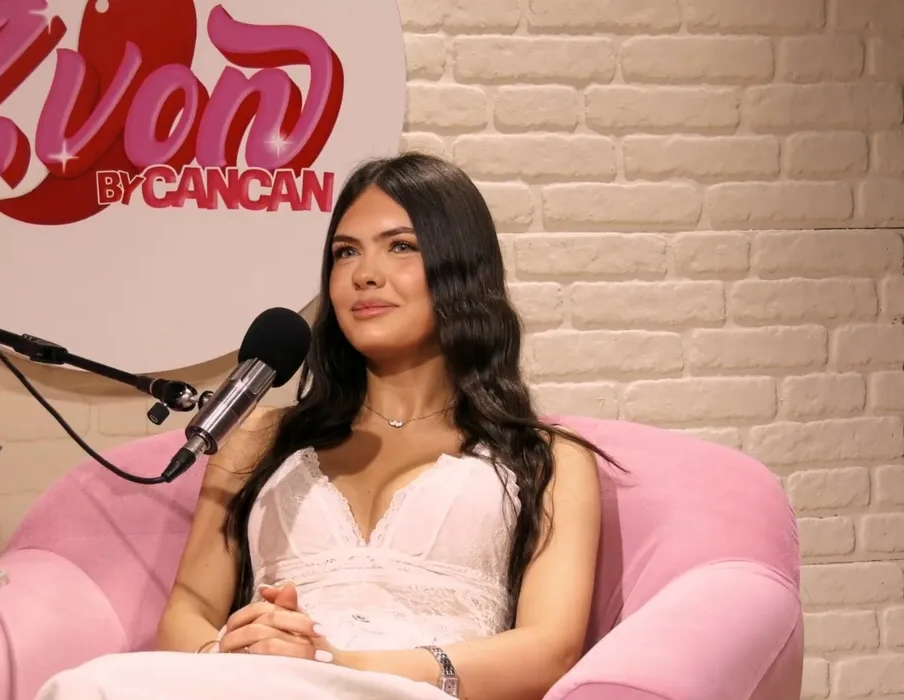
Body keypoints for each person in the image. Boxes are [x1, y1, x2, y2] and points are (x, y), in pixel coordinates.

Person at [35, 153, 619, 700]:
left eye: (401, 246)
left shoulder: (547, 457)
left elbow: (551, 649)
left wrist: (338, 666)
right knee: (89, 686)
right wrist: (232, 652)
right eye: (345, 252)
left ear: (462, 269)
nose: (365, 274)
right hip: (260, 686)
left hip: (410, 690)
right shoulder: (258, 437)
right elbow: (187, 614)